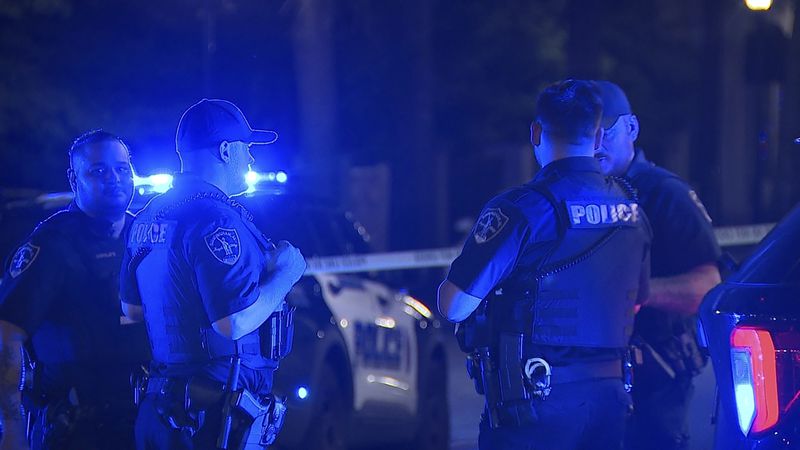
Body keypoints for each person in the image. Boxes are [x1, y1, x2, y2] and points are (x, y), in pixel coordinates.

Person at [438, 79, 652, 450]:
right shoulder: (631, 208)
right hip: (611, 399)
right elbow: (639, 296)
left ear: (536, 132)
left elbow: (455, 306)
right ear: (599, 136)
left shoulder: (521, 209)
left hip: (535, 405)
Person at [121, 99, 306, 450]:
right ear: (225, 150)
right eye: (246, 149)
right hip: (211, 416)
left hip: (163, 406)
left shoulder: (147, 216)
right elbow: (232, 322)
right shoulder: (216, 219)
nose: (251, 159)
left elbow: (132, 311)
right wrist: (286, 273)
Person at [0, 130, 150, 450]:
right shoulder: (52, 244)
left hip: (146, 420)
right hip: (77, 427)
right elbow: (6, 334)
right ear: (74, 179)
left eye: (122, 168)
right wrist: (12, 428)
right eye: (98, 170)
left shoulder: (146, 236)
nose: (114, 178)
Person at [592, 81, 722, 450]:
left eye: (606, 131)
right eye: (588, 133)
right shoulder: (577, 194)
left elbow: (708, 287)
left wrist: (637, 293)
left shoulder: (665, 194)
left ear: (631, 128)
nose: (596, 143)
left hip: (653, 382)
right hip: (587, 380)